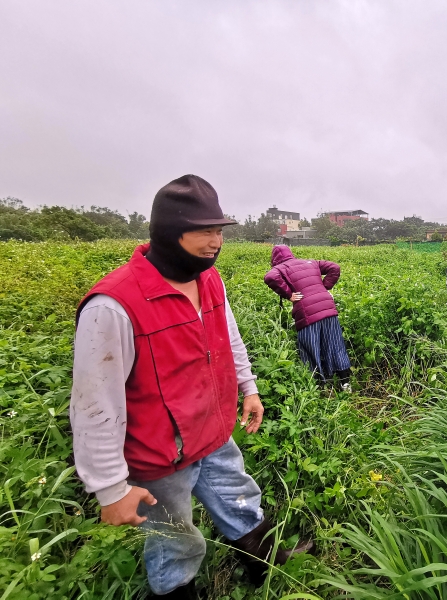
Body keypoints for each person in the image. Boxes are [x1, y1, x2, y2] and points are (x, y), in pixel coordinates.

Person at [70, 175, 312, 600]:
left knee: (241, 499)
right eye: (203, 231)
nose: (215, 241)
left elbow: (229, 337)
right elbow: (94, 404)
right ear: (168, 231)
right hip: (160, 453)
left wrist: (248, 387)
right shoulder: (113, 305)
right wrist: (110, 489)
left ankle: (265, 567)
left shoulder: (209, 280)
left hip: (212, 431)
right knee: (175, 537)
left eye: (218, 230)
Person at [263, 245, 352, 388]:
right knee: (336, 344)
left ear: (274, 259)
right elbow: (335, 267)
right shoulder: (310, 262)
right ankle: (345, 383)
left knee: (310, 348)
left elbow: (270, 277)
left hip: (307, 312)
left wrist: (288, 294)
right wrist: (324, 287)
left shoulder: (281, 268)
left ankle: (318, 386)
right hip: (328, 308)